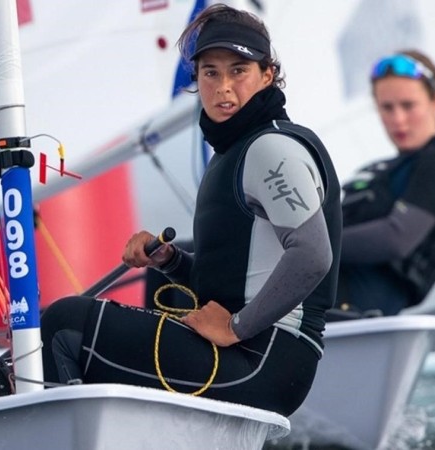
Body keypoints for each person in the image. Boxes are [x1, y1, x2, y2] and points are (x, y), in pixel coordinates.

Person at [40, 3, 341, 417]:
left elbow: (313, 254)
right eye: (210, 73)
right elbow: (234, 279)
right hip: (255, 354)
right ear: (196, 79)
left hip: (263, 359)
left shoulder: (270, 149)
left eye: (239, 70)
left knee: (64, 324)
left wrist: (235, 327)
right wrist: (170, 261)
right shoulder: (235, 150)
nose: (223, 87)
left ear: (267, 75)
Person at [334, 50, 435, 317]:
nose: (398, 119)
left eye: (408, 106)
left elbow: (396, 238)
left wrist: (307, 244)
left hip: (356, 315)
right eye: (387, 107)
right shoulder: (376, 170)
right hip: (318, 300)